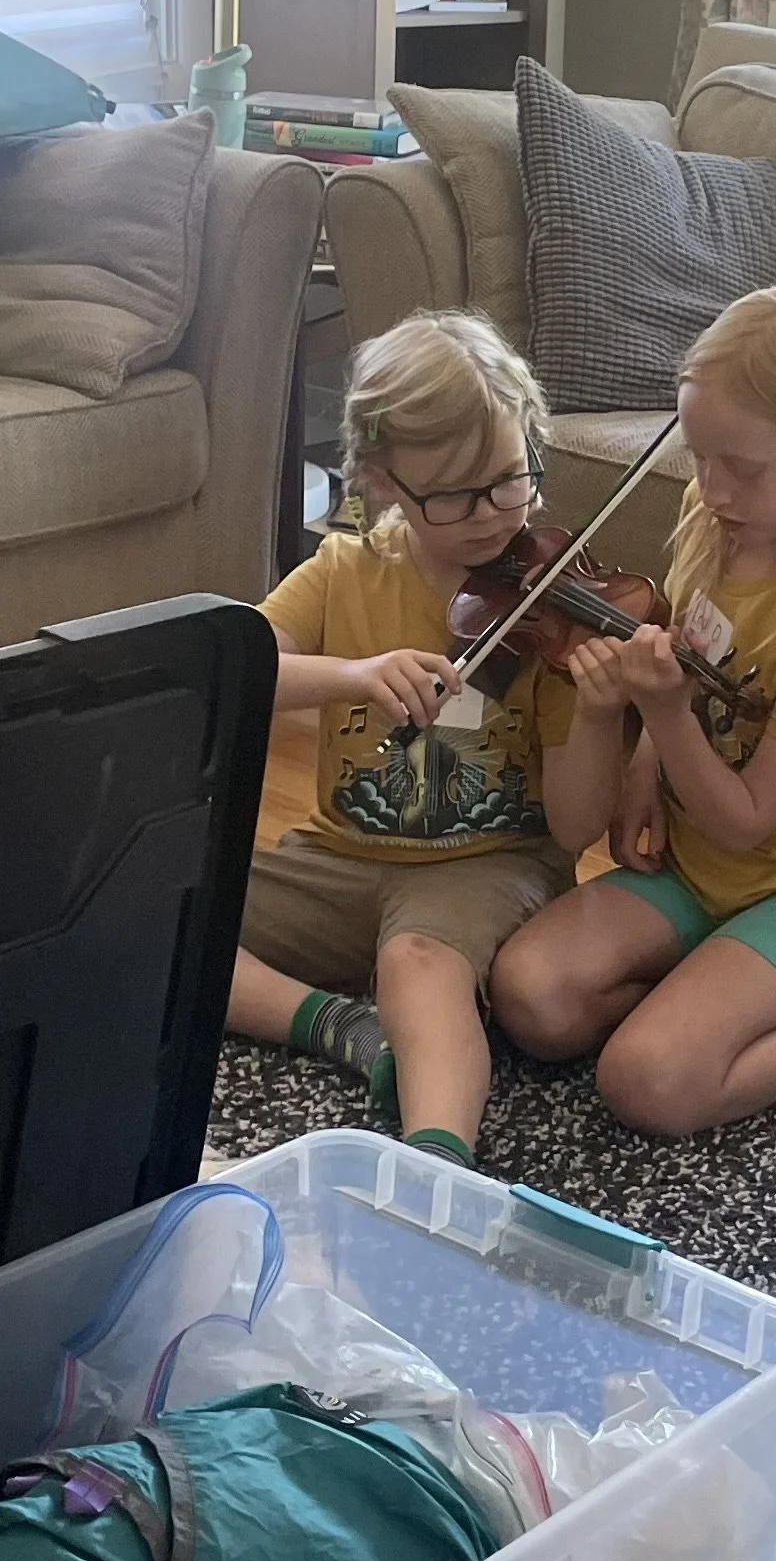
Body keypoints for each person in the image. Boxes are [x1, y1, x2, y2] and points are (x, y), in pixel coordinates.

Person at [492, 283, 776, 1135]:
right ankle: (712, 986)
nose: (715, 490)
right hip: (697, 870)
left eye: (745, 468)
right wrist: (646, 773)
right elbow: (691, 663)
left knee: (648, 1085)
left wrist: (661, 724)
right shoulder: (712, 524)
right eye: (701, 458)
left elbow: (746, 822)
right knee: (531, 1000)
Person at [226, 310, 621, 1167]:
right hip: (342, 853)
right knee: (172, 915)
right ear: (381, 479)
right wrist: (352, 674)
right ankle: (335, 1024)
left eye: (512, 481)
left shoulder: (551, 600)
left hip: (489, 866)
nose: (491, 518)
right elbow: (239, 672)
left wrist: (597, 712)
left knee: (417, 965)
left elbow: (575, 829)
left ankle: (433, 1173)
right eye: (452, 495)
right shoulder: (343, 572)